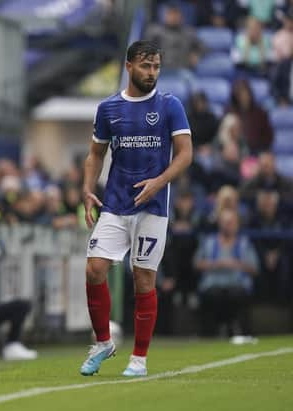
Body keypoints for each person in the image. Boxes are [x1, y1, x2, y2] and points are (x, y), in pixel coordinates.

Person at [80, 40, 193, 377]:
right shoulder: (109, 108)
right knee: (94, 268)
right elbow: (96, 154)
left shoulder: (170, 105)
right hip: (115, 203)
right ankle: (103, 343)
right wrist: (87, 188)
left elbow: (185, 154)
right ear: (129, 66)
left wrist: (159, 182)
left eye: (156, 66)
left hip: (154, 206)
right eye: (146, 66)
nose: (152, 72)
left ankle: (139, 359)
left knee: (143, 279)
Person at [194, 207, 259, 337]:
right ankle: (208, 335)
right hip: (213, 285)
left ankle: (242, 333)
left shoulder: (244, 243)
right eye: (225, 222)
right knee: (212, 295)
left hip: (237, 285)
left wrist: (237, 264)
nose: (228, 225)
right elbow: (197, 263)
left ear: (237, 224)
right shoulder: (209, 242)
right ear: (220, 223)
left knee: (237, 295)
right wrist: (215, 264)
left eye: (231, 222)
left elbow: (255, 268)